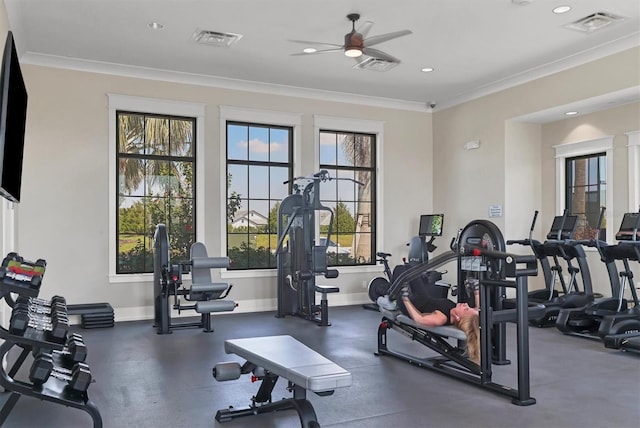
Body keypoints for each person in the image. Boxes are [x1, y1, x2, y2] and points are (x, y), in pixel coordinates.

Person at [397, 279, 481, 365]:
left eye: (466, 309)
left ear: (458, 317)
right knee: (411, 271)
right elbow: (478, 310)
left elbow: (419, 319)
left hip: (412, 304)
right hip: (424, 298)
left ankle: (390, 300)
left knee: (400, 271)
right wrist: (476, 290)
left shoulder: (441, 318)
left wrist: (405, 298)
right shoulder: (456, 311)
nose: (466, 305)